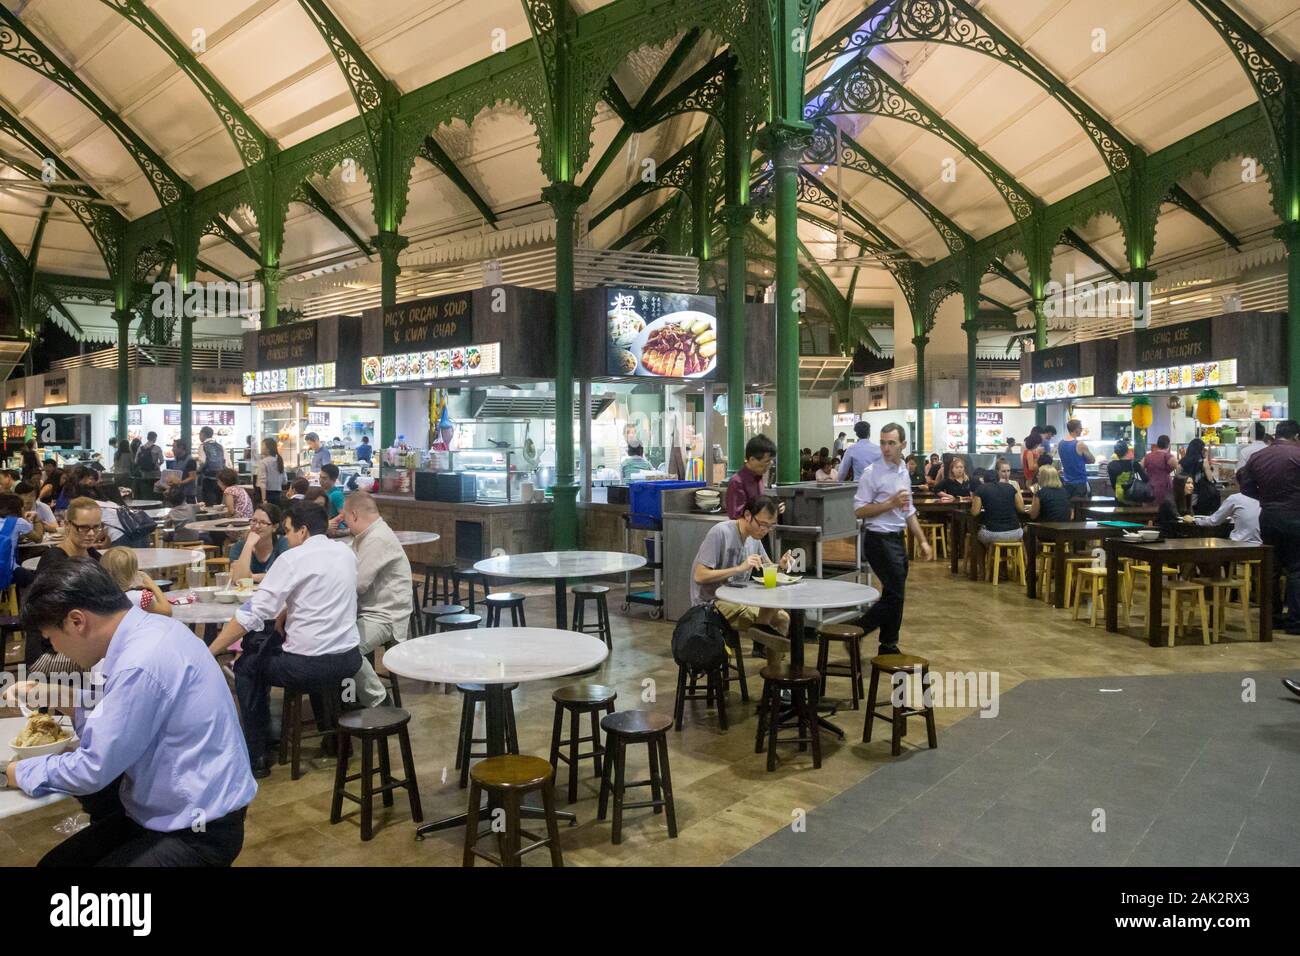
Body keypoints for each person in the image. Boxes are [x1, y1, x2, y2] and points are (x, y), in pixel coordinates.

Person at [2, 559, 255, 866]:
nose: (55, 649)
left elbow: (92, 769)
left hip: (197, 829)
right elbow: (121, 707)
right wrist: (52, 693)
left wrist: (13, 773)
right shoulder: (153, 628)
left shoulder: (140, 660)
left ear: (76, 621)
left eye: (51, 639)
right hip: (168, 812)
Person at [210, 502, 362, 777]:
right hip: (349, 659)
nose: (287, 537)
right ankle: (335, 742)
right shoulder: (345, 552)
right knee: (297, 653)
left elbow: (252, 614)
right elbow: (321, 596)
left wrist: (210, 650)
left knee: (246, 667)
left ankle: (257, 754)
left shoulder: (292, 559)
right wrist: (288, 610)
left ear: (303, 531)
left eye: (289, 531)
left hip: (307, 665)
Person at [853, 423, 931, 654]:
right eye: (883, 442)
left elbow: (908, 511)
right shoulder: (871, 473)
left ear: (903, 445)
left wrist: (922, 540)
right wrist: (889, 504)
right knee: (896, 594)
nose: (886, 448)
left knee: (893, 593)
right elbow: (859, 510)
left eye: (891, 443)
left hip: (897, 538)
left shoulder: (903, 472)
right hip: (878, 538)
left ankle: (888, 645)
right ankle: (858, 629)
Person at [691, 495, 793, 667]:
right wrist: (739, 568)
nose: (765, 530)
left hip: (739, 601)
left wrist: (781, 566)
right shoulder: (721, 532)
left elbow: (770, 569)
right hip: (711, 604)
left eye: (770, 526)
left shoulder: (755, 538)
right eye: (762, 524)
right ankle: (761, 629)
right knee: (770, 606)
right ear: (747, 515)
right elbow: (699, 576)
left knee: (783, 617)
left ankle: (774, 678)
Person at [339, 492, 412, 708]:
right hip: (367, 611)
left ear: (353, 515)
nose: (345, 524)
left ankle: (378, 700)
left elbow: (358, 583)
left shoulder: (377, 538)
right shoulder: (365, 536)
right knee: (334, 643)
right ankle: (348, 701)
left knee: (346, 648)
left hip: (385, 615)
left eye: (344, 519)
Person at [1236, 419, 1300, 633]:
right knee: (1296, 569)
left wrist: (1265, 498)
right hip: (1295, 516)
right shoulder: (1298, 454)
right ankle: (1295, 621)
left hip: (1269, 516)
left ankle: (1271, 618)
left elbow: (1244, 485)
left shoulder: (1257, 456)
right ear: (1296, 436)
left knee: (1272, 568)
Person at [971, 457, 1028, 552]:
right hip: (1016, 532)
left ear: (983, 480)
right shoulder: (1011, 487)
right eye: (1004, 471)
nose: (1006, 474)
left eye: (1008, 471)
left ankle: (984, 566)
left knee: (977, 537)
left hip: (994, 533)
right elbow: (1021, 509)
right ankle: (1018, 565)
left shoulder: (981, 489)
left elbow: (975, 512)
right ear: (998, 476)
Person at [100, 546, 172, 617]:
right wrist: (152, 585)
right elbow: (167, 612)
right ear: (134, 573)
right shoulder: (140, 597)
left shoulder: (100, 597)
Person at [228, 504, 288, 583]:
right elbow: (238, 579)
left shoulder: (283, 544)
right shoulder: (238, 547)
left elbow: (285, 575)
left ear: (275, 527)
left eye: (263, 522)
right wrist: (249, 545)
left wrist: (252, 577)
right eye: (254, 521)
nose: (256, 526)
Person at [725, 434, 776, 520]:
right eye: (767, 461)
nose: (770, 464)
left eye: (771, 461)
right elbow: (736, 516)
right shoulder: (737, 482)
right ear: (752, 460)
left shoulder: (758, 478)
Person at [1190, 490, 1261, 545]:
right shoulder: (1265, 497)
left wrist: (1195, 520)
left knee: (1211, 547)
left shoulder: (1236, 498)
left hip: (1240, 544)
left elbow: (1213, 521)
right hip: (1262, 545)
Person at [1055, 419, 1094, 499]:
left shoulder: (1060, 443)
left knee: (1070, 507)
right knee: (1080, 508)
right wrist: (1084, 459)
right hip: (1080, 483)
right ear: (1076, 429)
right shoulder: (1080, 444)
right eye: (1080, 428)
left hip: (1067, 483)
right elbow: (1092, 460)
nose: (1081, 430)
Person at [1141, 434, 1178, 503]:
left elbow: (1140, 468)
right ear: (1168, 445)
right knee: (1165, 507)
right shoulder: (1168, 456)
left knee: (1151, 508)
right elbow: (1179, 468)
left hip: (1151, 486)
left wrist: (1147, 476)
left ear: (1157, 444)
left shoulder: (1148, 456)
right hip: (1165, 486)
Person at [198, 426, 226, 506]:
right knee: (218, 500)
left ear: (203, 434)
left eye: (200, 434)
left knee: (208, 501)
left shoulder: (203, 446)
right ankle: (219, 516)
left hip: (207, 477)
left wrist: (198, 471)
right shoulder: (219, 446)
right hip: (219, 478)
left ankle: (211, 517)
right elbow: (225, 461)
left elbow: (202, 461)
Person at [134, 432, 163, 500]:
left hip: (144, 474)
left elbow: (136, 461)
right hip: (155, 474)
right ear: (155, 438)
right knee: (155, 493)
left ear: (147, 437)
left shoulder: (140, 448)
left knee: (145, 492)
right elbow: (162, 461)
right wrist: (157, 465)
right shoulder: (157, 448)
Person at [257, 437, 286, 504]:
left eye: (262, 445)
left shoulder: (263, 462)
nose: (261, 448)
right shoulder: (279, 461)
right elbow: (285, 481)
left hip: (266, 494)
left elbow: (263, 482)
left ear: (268, 449)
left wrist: (263, 499)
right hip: (278, 494)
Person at [169, 439, 199, 504]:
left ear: (181, 447)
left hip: (188, 495)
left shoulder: (190, 460)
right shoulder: (175, 460)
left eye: (174, 447)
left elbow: (192, 477)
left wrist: (180, 482)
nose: (172, 449)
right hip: (177, 494)